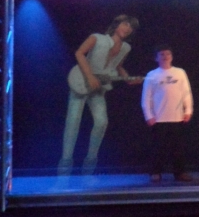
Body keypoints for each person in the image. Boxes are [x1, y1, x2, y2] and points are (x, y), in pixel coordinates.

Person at [58, 14, 140, 176]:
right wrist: (89, 76)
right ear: (117, 24)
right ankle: (64, 167)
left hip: (99, 88)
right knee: (73, 121)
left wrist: (128, 78)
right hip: (81, 82)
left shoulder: (126, 48)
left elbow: (118, 66)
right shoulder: (97, 38)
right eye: (125, 24)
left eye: (131, 27)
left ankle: (89, 167)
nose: (127, 28)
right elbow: (79, 53)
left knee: (102, 122)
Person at [141, 45, 193, 183]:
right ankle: (156, 172)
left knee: (178, 148)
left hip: (177, 117)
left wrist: (188, 110)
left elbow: (186, 93)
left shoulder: (180, 73)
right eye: (162, 54)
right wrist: (148, 115)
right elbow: (146, 97)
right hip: (159, 119)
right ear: (156, 58)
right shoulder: (152, 75)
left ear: (172, 56)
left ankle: (180, 173)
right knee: (158, 148)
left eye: (167, 54)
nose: (165, 56)